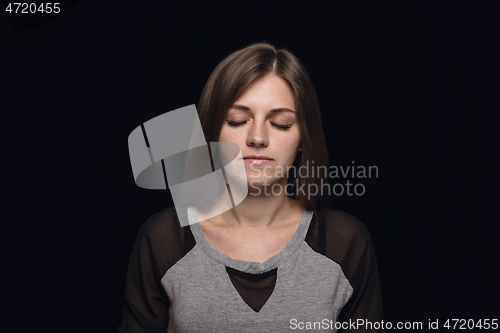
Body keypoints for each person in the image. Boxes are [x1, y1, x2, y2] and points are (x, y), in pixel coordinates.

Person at [119, 42, 384, 332]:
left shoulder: (345, 243)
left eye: (281, 123)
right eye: (237, 120)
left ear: (305, 139)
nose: (257, 137)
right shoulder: (163, 239)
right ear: (211, 131)